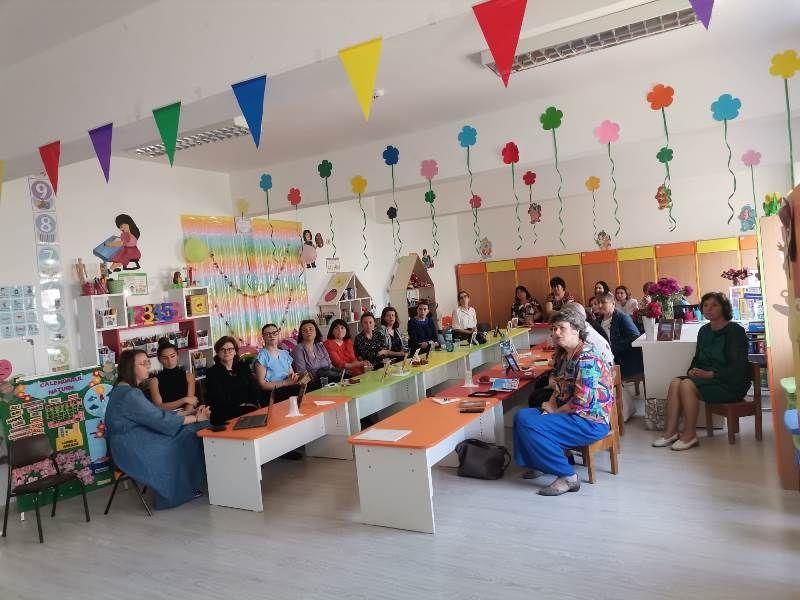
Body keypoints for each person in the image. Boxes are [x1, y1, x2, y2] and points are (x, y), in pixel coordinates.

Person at [513, 310, 613, 496]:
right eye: (553, 328)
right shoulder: (565, 355)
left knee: (531, 425)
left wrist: (554, 411)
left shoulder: (587, 357)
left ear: (576, 330)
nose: (556, 332)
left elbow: (580, 402)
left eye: (561, 328)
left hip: (589, 421)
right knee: (521, 416)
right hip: (570, 413)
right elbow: (559, 387)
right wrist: (550, 405)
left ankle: (568, 476)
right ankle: (541, 463)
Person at [105, 349, 210, 510]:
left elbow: (153, 415)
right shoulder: (130, 394)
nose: (148, 366)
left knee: (191, 430)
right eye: (143, 363)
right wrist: (196, 418)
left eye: (148, 362)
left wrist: (189, 414)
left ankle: (189, 484)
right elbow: (161, 420)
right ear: (130, 368)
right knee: (191, 433)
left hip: (128, 443)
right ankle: (181, 490)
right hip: (136, 447)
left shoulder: (120, 390)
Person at [653, 292, 750, 451]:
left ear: (724, 308)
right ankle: (670, 432)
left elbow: (738, 366)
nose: (708, 309)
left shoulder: (735, 331)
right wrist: (692, 370)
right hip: (708, 379)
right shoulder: (704, 330)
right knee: (676, 382)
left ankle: (690, 434)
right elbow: (697, 358)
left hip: (731, 383)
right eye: (705, 305)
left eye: (714, 305)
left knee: (687, 385)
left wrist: (711, 374)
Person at [205, 336, 264, 426]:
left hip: (248, 408)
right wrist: (243, 404)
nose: (226, 352)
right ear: (217, 352)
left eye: (230, 349)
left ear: (235, 351)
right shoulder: (212, 373)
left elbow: (254, 389)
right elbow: (219, 399)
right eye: (223, 349)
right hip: (224, 413)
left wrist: (253, 403)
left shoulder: (243, 367)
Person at [593, 292, 644, 379]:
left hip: (623, 358)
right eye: (598, 303)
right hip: (604, 356)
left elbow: (634, 336)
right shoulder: (598, 320)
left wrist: (612, 347)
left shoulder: (622, 318)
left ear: (613, 303)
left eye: (603, 302)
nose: (600, 305)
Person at [254, 323, 301, 402]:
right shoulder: (262, 357)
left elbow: (291, 374)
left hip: (289, 389)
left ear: (278, 334)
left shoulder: (284, 353)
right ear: (263, 337)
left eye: (274, 333)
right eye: (267, 334)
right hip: (273, 393)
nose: (271, 336)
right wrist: (285, 383)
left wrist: (295, 377)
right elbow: (263, 385)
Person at [148, 339, 198, 412]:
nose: (170, 360)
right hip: (166, 416)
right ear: (159, 359)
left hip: (187, 414)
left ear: (177, 356)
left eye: (172, 356)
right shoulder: (154, 381)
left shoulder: (189, 376)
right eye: (165, 358)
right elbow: (159, 407)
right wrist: (184, 400)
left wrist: (184, 415)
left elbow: (190, 403)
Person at [292, 319, 339, 389]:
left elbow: (330, 365)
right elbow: (302, 374)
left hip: (329, 380)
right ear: (301, 334)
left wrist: (336, 374)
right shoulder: (298, 349)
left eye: (310, 329)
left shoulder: (320, 346)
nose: (308, 331)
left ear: (316, 331)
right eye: (304, 330)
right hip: (312, 384)